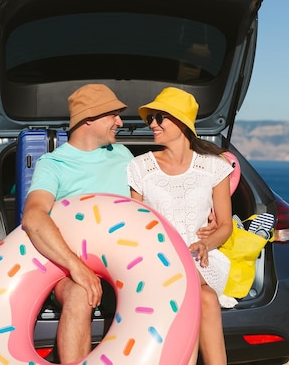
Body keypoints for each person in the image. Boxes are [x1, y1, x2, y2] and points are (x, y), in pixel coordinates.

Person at [20, 83, 133, 363]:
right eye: (113, 115)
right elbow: (33, 216)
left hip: (124, 264)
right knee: (81, 292)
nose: (120, 122)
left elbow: (143, 208)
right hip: (69, 269)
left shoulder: (122, 155)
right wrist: (78, 268)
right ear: (89, 119)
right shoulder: (54, 164)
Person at [127, 86, 234, 365]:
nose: (152, 124)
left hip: (202, 257)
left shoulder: (214, 166)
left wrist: (205, 244)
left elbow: (224, 225)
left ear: (181, 121)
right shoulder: (139, 168)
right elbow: (135, 225)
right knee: (204, 299)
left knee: (203, 297)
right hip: (157, 256)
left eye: (159, 117)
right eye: (150, 118)